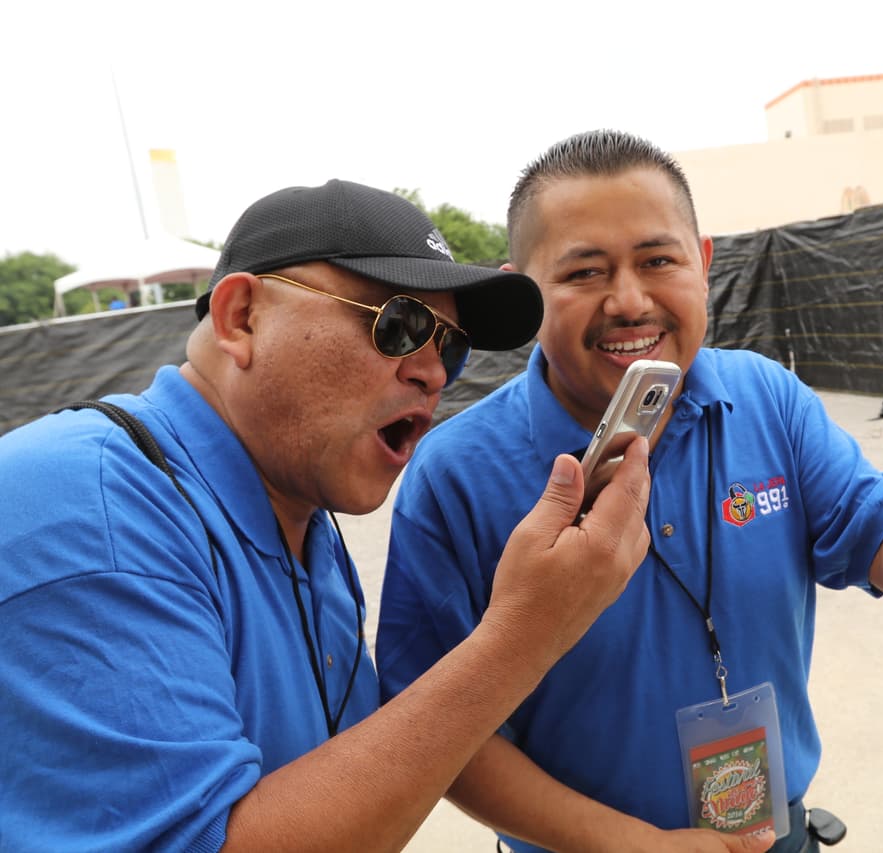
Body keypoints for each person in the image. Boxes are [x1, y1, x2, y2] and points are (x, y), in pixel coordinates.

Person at [376, 131, 883, 853]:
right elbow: (438, 734)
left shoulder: (770, 403)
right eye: (585, 272)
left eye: (658, 260)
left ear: (705, 262)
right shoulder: (454, 477)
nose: (629, 301)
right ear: (527, 292)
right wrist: (625, 844)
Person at [0, 179, 656, 851]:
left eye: (451, 346)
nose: (432, 371)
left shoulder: (304, 517)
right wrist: (526, 632)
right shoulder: (91, 507)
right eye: (400, 325)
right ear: (241, 318)